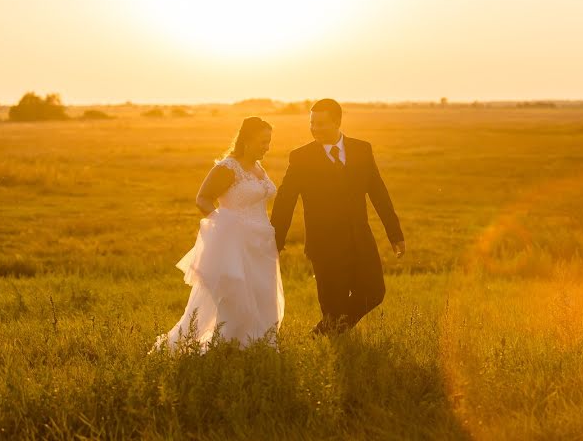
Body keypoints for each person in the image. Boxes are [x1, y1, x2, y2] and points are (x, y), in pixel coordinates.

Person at [271, 98, 405, 336]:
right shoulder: (301, 157)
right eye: (312, 123)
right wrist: (276, 240)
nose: (315, 129)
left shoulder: (362, 149)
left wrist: (394, 233)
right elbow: (285, 201)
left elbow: (379, 194)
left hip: (360, 241)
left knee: (374, 293)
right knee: (332, 307)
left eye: (321, 124)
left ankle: (319, 335)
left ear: (338, 122)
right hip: (324, 247)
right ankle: (328, 342)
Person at [154, 117, 283, 351]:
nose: (267, 147)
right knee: (236, 299)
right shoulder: (227, 167)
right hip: (236, 243)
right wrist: (225, 227)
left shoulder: (257, 168)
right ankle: (230, 346)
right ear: (247, 140)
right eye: (263, 142)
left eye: (269, 142)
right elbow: (202, 199)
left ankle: (258, 345)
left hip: (261, 245)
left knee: (263, 296)